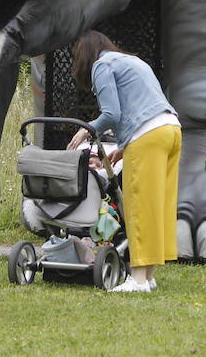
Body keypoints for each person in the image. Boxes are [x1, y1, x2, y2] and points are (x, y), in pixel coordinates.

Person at [66, 30, 180, 293]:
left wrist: (86, 129)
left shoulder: (101, 65)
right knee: (157, 207)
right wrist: (124, 147)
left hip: (148, 136)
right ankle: (147, 276)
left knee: (139, 207)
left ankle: (138, 280)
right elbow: (141, 105)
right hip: (170, 130)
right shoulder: (132, 61)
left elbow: (111, 113)